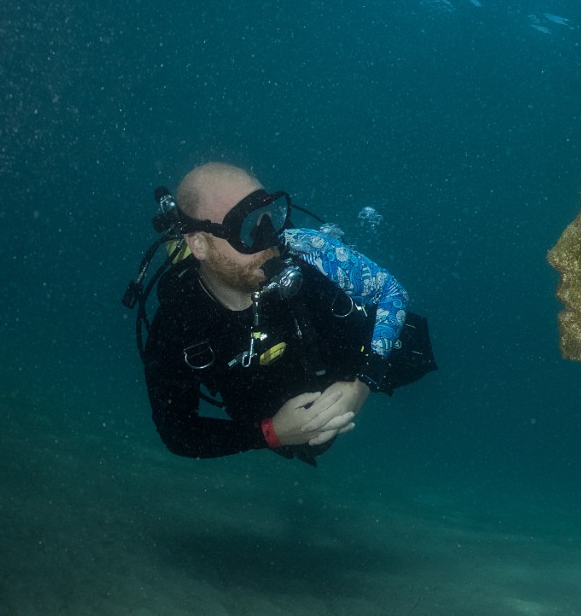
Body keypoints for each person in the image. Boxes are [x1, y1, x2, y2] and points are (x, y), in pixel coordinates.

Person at [139, 162, 435, 463]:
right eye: (246, 227)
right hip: (271, 416)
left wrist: (363, 384)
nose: (270, 241)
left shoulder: (309, 250)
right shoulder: (178, 325)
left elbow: (391, 292)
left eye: (268, 217)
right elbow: (177, 433)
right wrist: (270, 433)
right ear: (199, 244)